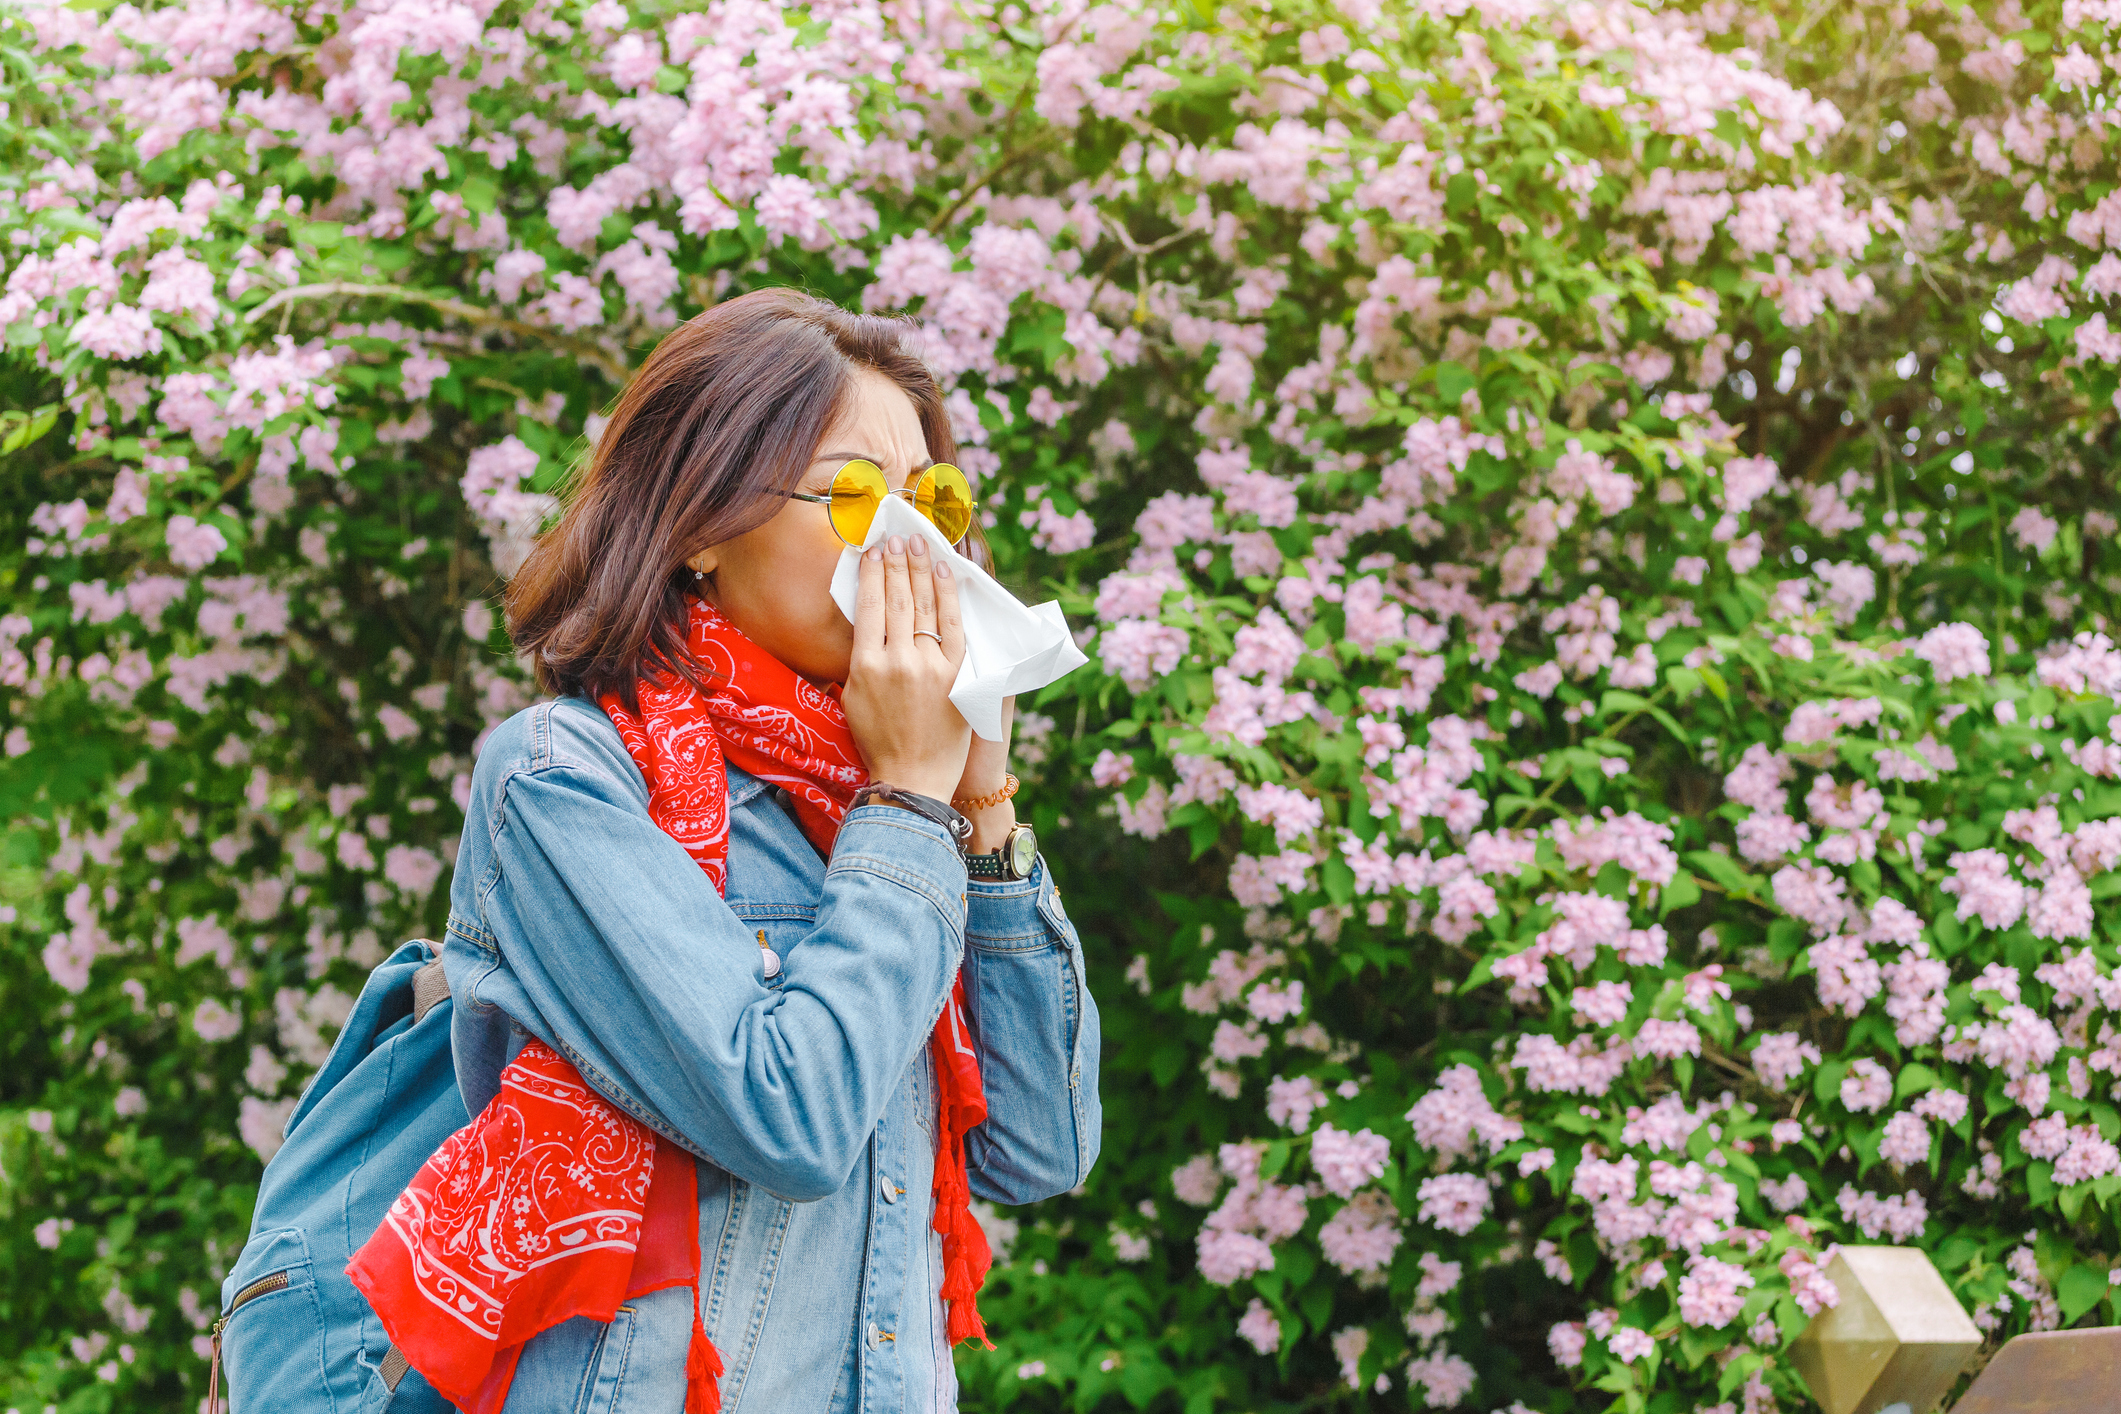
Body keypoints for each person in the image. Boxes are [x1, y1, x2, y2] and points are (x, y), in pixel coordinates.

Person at [357, 289, 1102, 1414]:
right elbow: (785, 1116)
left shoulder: (875, 804)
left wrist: (979, 793)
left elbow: (1042, 1148)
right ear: (702, 523)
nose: (910, 544)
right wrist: (907, 797)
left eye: (932, 502)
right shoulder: (566, 779)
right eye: (855, 495)